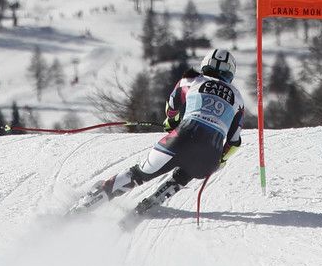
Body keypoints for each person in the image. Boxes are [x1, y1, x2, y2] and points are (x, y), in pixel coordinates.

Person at [69, 48, 245, 217]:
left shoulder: (191, 79)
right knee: (193, 164)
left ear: (205, 64)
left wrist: (171, 123)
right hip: (209, 159)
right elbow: (234, 142)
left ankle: (93, 199)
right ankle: (158, 198)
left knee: (140, 173)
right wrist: (221, 160)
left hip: (181, 138)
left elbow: (172, 106)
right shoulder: (238, 98)